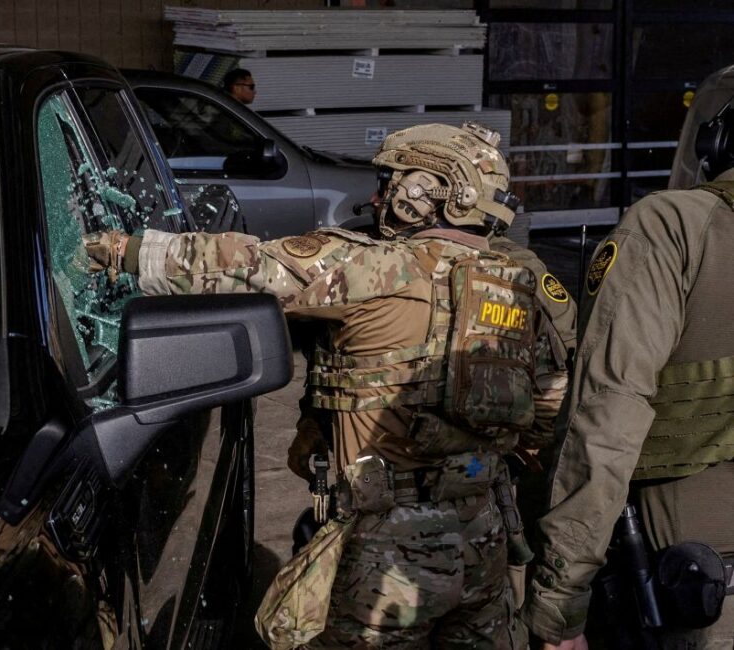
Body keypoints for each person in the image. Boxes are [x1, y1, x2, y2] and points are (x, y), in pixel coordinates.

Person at [86, 122, 571, 647]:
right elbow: (549, 402)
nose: (377, 197)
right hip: (485, 539)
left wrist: (116, 251)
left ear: (424, 196)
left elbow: (239, 266)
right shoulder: (519, 286)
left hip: (387, 550)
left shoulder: (372, 267)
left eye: (389, 183)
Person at [521, 100, 734, 648]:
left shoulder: (673, 226)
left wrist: (561, 595)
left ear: (717, 146)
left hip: (676, 579)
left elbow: (607, 416)